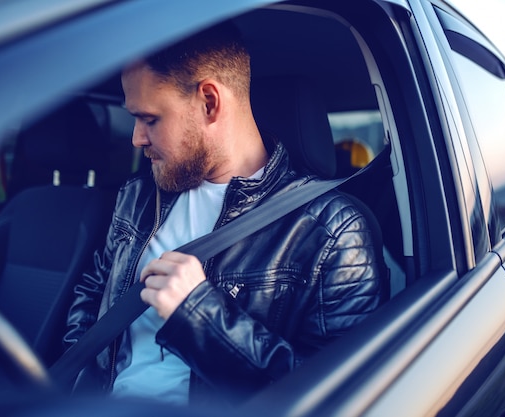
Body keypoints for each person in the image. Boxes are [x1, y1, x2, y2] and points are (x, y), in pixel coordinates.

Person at [64, 22, 386, 406]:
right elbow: (92, 297)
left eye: (150, 119)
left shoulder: (332, 233)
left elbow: (338, 395)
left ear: (209, 103)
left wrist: (197, 314)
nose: (137, 138)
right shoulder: (136, 198)